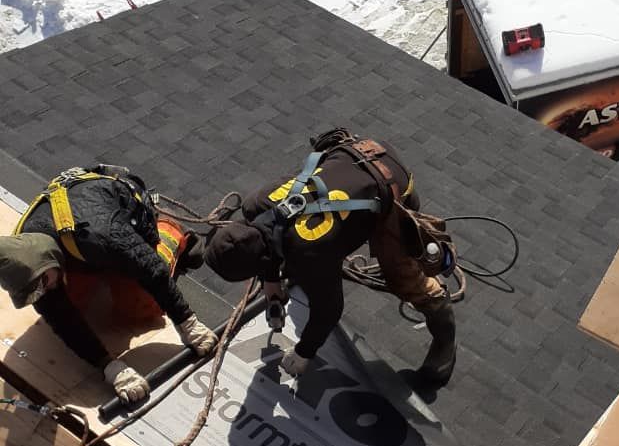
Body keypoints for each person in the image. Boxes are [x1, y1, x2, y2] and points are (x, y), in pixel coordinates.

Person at [204, 129, 456, 386]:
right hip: (361, 152)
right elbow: (267, 238)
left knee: (402, 277)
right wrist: (271, 281)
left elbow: (330, 310)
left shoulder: (306, 255)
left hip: (392, 187)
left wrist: (304, 352)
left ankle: (445, 334)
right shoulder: (254, 204)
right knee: (309, 256)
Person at [0, 165, 217, 403]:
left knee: (138, 307)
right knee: (67, 303)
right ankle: (96, 267)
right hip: (80, 248)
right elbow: (62, 320)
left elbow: (151, 270)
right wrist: (109, 367)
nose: (42, 291)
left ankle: (171, 230)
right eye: (36, 290)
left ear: (45, 261)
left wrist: (188, 322)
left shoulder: (104, 234)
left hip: (119, 222)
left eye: (42, 284)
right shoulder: (27, 261)